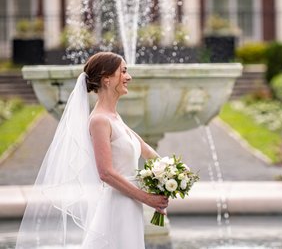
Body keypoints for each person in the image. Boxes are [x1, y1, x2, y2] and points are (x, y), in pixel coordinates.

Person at [16, 52, 168, 248]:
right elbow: (106, 173)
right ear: (106, 79)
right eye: (123, 71)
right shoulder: (99, 121)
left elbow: (145, 149)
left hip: (130, 204)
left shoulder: (114, 116)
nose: (128, 77)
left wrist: (171, 174)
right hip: (118, 204)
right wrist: (148, 198)